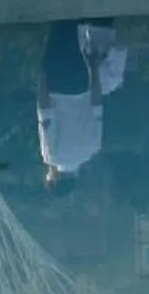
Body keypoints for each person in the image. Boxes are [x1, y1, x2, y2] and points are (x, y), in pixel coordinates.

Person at [38, 20, 126, 189]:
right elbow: (45, 113)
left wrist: (93, 68)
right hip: (57, 86)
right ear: (54, 179)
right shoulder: (51, 156)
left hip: (81, 84)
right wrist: (42, 79)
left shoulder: (93, 148)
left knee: (73, 28)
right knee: (59, 27)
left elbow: (96, 104)